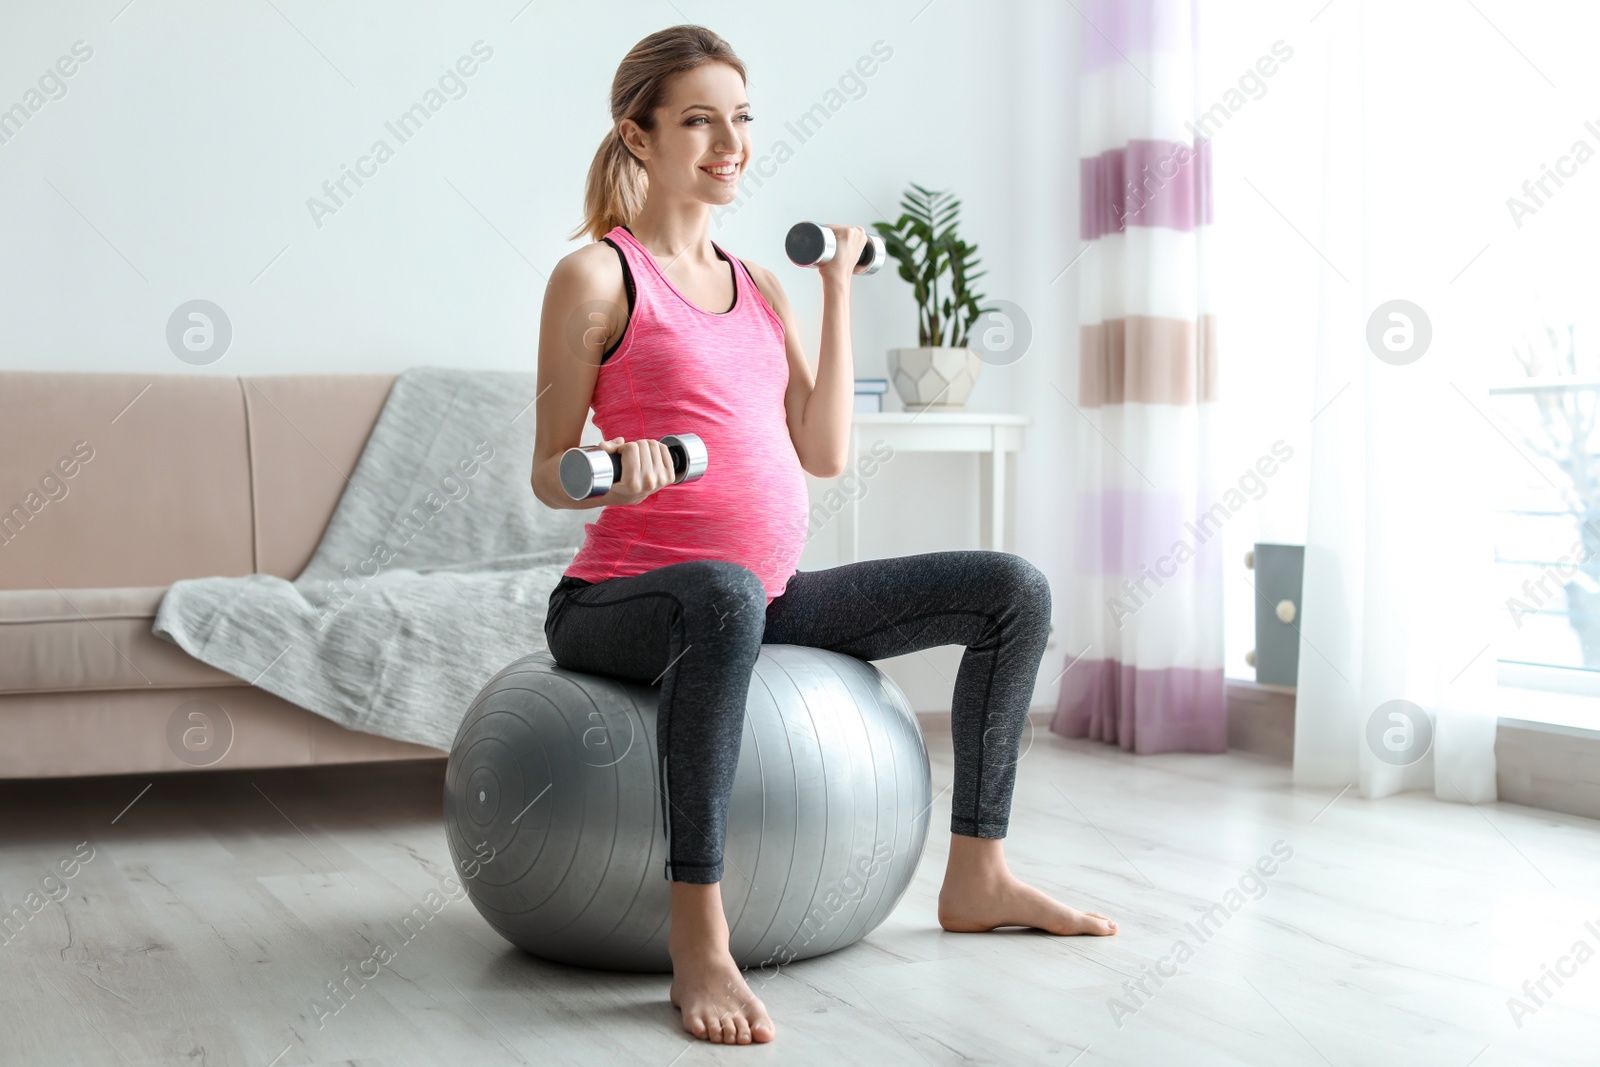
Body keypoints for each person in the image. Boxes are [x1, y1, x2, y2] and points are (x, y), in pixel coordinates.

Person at [531, 23, 1116, 1048]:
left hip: (763, 594)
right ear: (638, 135)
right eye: (701, 121)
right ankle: (698, 934)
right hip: (618, 606)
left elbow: (824, 448)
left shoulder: (759, 285)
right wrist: (616, 471)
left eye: (743, 119)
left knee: (1009, 586)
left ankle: (977, 873)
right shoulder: (598, 279)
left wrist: (840, 290)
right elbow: (548, 468)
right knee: (716, 591)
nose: (732, 143)